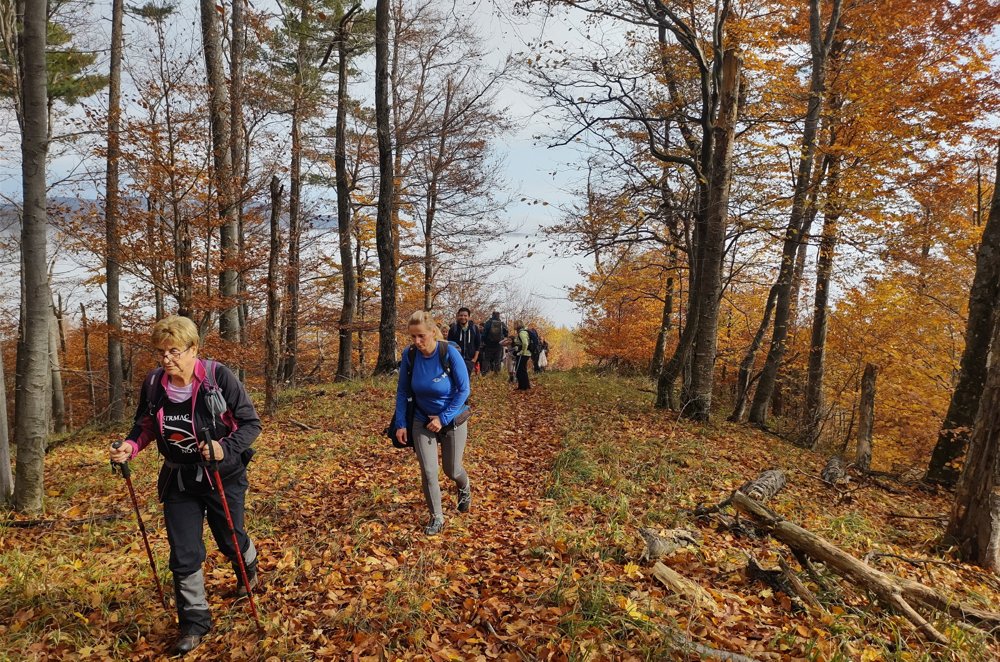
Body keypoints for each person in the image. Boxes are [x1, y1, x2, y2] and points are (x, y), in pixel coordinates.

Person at [108, 316, 262, 655]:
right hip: (178, 478)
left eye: (174, 351)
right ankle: (194, 623)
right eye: (161, 352)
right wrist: (130, 447)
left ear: (193, 349)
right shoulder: (154, 383)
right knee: (184, 552)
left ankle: (247, 566)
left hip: (222, 476)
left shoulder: (218, 377)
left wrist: (224, 448)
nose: (166, 359)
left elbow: (251, 423)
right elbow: (145, 424)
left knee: (230, 538)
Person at [394, 311, 472, 535]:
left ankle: (464, 487)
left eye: (421, 336)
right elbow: (403, 391)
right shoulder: (410, 355)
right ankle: (437, 516)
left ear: (432, 332)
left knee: (451, 469)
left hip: (451, 419)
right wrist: (401, 423)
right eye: (413, 337)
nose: (417, 341)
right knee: (428, 471)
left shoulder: (448, 353)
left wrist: (443, 418)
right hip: (421, 418)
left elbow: (464, 390)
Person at [447, 307, 481, 377]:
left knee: (466, 379)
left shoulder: (474, 328)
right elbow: (449, 344)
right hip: (456, 359)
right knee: (456, 378)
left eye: (465, 316)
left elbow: (478, 344)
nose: (463, 317)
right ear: (458, 316)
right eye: (461, 315)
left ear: (469, 317)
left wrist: (474, 359)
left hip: (469, 360)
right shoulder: (453, 328)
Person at [513, 320, 531, 390]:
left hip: (524, 354)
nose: (514, 325)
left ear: (518, 325)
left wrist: (522, 352)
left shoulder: (522, 333)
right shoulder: (522, 332)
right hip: (525, 354)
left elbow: (525, 343)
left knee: (521, 370)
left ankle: (524, 387)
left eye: (515, 324)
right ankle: (522, 386)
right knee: (521, 370)